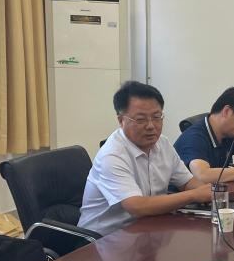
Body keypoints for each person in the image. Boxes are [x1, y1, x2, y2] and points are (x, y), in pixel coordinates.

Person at [78, 81, 212, 236]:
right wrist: (194, 195)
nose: (151, 126)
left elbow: (186, 182)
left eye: (156, 117)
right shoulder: (112, 155)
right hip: (104, 239)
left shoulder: (163, 143)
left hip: (147, 229)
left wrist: (208, 195)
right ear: (121, 120)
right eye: (141, 119)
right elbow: (137, 206)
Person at [174, 87, 234, 183]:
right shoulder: (194, 137)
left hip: (218, 191)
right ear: (226, 111)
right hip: (189, 193)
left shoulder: (231, 134)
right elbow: (202, 175)